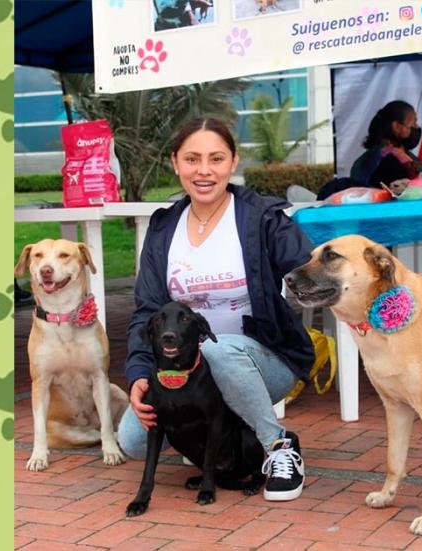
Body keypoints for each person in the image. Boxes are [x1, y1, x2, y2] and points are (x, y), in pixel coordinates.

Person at [118, 117, 315, 502]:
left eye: (216, 158)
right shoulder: (163, 228)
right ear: (175, 163)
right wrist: (140, 373)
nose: (204, 170)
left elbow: (309, 271)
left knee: (218, 349)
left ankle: (279, 448)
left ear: (233, 162)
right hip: (190, 372)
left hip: (263, 363)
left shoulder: (262, 217)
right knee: (132, 441)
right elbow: (148, 312)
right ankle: (225, 431)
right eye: (192, 159)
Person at [349, 100, 422, 188]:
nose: (416, 127)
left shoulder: (393, 154)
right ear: (396, 126)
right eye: (413, 123)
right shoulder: (387, 161)